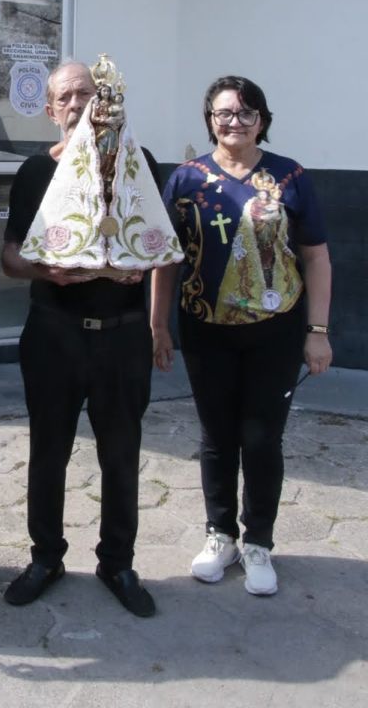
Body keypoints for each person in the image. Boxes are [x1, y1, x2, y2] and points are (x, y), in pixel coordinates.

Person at [151, 75, 332, 596]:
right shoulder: (186, 180)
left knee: (261, 437)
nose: (234, 122)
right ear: (209, 119)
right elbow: (166, 258)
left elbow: (317, 256)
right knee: (216, 436)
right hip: (205, 327)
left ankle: (259, 543)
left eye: (245, 113)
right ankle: (220, 534)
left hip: (276, 330)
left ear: (263, 120)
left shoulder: (289, 176)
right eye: (223, 113)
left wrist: (317, 332)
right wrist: (158, 325)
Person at [1, 61, 158, 618]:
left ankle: (117, 561)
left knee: (121, 456)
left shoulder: (139, 165)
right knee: (48, 453)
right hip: (54, 334)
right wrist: (47, 272)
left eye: (86, 94)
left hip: (122, 338)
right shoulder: (34, 173)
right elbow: (11, 256)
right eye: (64, 97)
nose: (76, 105)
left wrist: (145, 276)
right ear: (49, 111)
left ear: (105, 102)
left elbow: (160, 247)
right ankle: (46, 557)